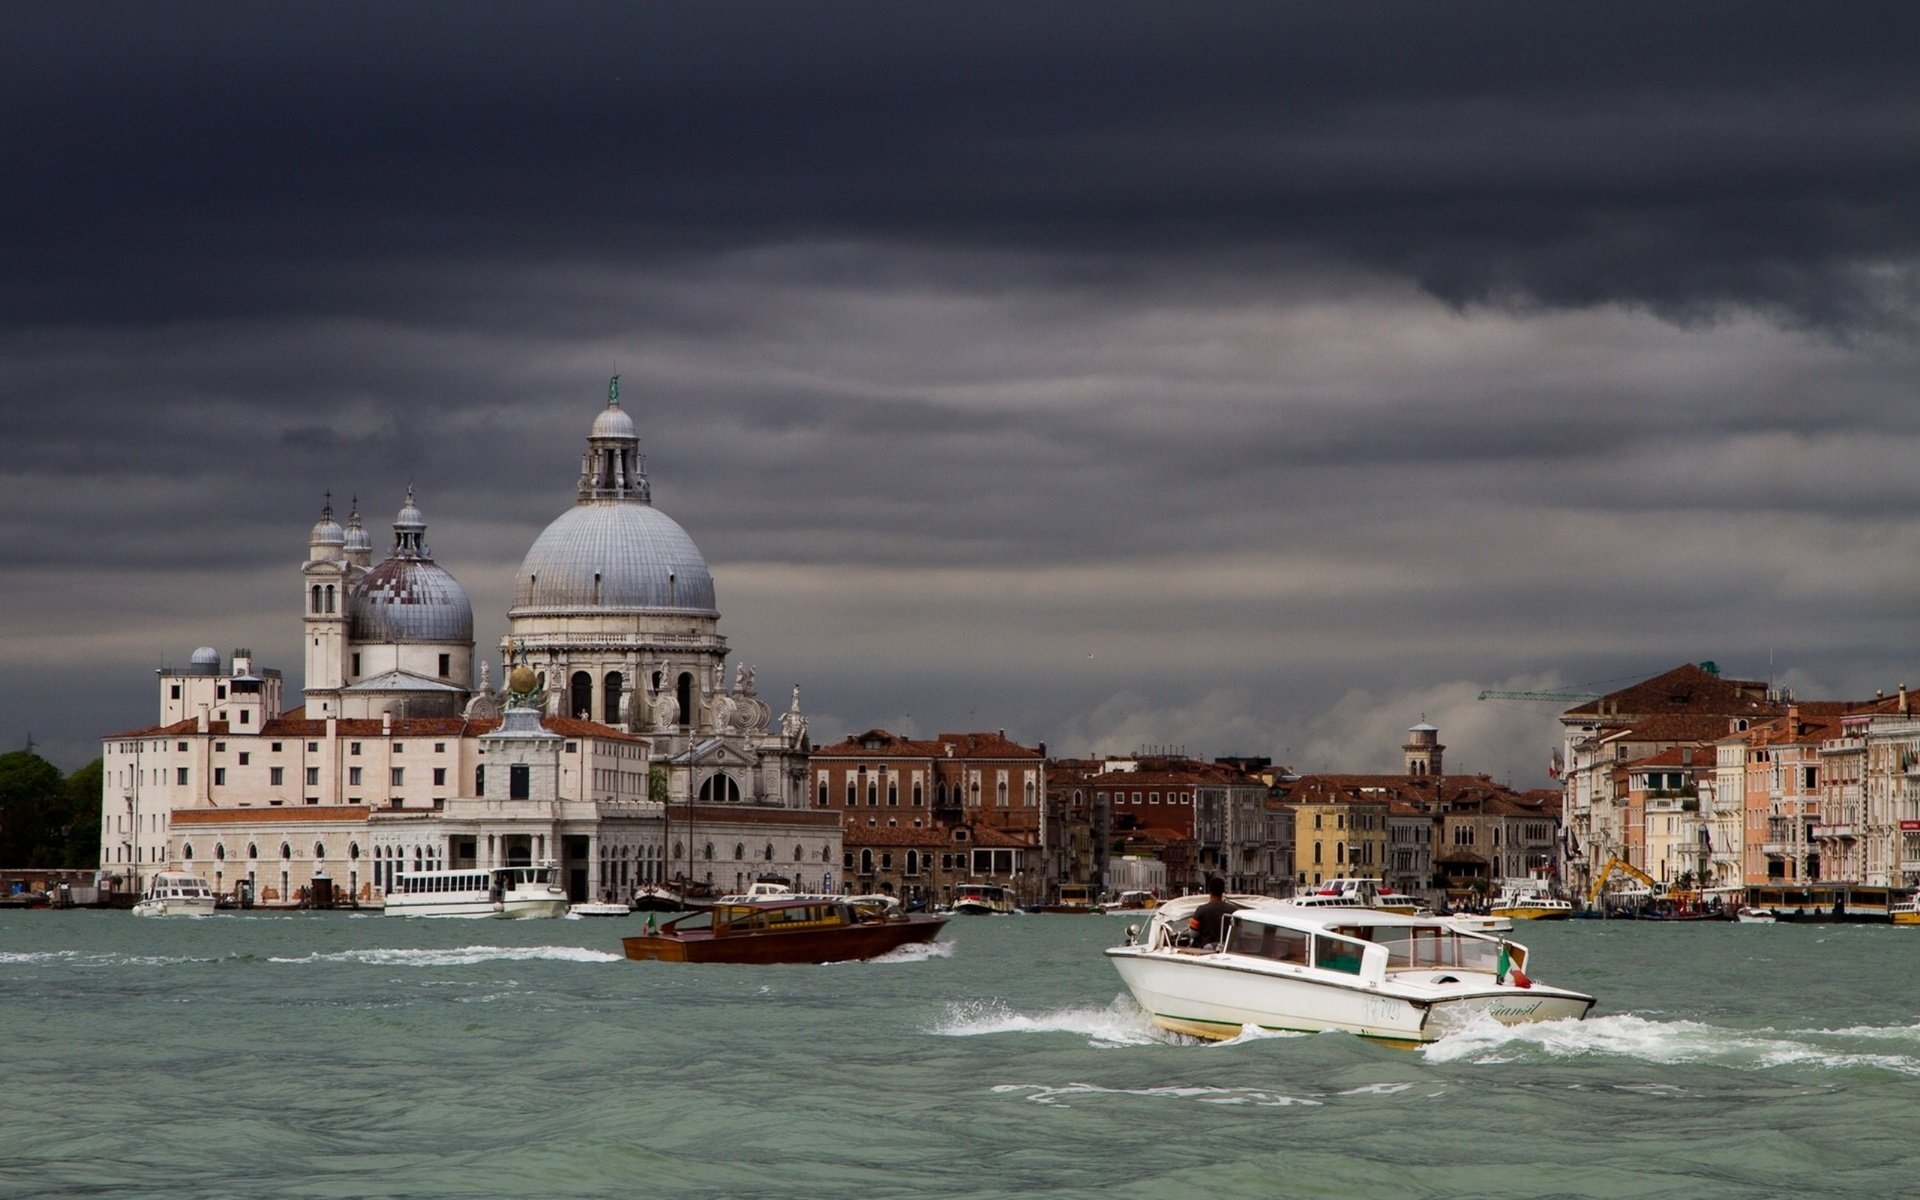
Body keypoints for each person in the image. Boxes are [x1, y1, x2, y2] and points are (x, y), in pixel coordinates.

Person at [1188, 877, 1241, 948]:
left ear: (1209, 890)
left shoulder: (1201, 910)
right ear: (1223, 891)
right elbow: (1239, 932)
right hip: (1228, 949)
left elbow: (1193, 934)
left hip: (1205, 950)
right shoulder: (1234, 910)